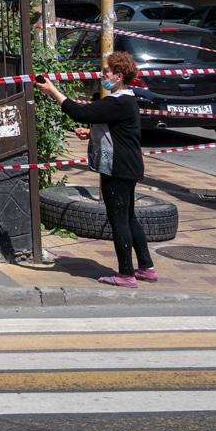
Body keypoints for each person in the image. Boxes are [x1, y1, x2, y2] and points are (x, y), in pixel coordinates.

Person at [36, 50, 155, 286]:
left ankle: (125, 274)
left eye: (107, 72)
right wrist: (91, 133)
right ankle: (146, 267)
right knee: (129, 216)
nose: (103, 76)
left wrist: (53, 91)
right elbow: (121, 130)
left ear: (119, 76)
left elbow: (81, 112)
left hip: (118, 168)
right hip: (129, 164)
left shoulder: (118, 101)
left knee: (118, 219)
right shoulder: (127, 100)